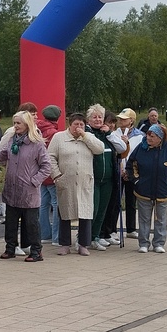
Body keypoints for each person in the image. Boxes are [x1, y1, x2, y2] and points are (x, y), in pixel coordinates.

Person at [0, 111, 58, 262]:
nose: (15, 126)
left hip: (29, 191)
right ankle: (10, 248)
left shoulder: (37, 144)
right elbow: (2, 154)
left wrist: (34, 181)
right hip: (12, 188)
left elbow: (46, 166)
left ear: (27, 124)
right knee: (11, 222)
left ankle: (36, 251)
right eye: (14, 123)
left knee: (31, 223)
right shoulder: (13, 140)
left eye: (18, 123)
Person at [48, 112, 102, 256]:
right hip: (66, 181)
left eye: (81, 125)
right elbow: (50, 157)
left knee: (85, 213)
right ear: (69, 125)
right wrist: (56, 175)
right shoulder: (59, 138)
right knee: (64, 213)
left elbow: (99, 149)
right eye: (75, 124)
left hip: (85, 182)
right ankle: (64, 244)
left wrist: (85, 136)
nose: (78, 127)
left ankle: (83, 244)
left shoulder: (89, 137)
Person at [129, 123, 167, 254]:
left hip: (162, 191)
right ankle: (143, 243)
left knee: (161, 219)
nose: (148, 138)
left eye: (152, 136)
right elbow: (132, 165)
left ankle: (158, 243)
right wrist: (136, 181)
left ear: (160, 138)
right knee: (144, 219)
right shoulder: (141, 148)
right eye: (147, 135)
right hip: (143, 191)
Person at [108, 108, 144, 239]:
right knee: (116, 200)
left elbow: (138, 155)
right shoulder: (114, 133)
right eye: (120, 118)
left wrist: (131, 170)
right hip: (118, 170)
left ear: (131, 121)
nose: (120, 121)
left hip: (132, 172)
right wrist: (121, 168)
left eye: (124, 119)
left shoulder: (139, 135)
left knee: (131, 201)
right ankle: (112, 229)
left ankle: (131, 228)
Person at [85, 105, 116, 250]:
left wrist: (109, 133)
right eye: (94, 117)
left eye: (100, 117)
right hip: (93, 179)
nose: (98, 120)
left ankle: (96, 236)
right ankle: (86, 237)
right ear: (88, 119)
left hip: (108, 179)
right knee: (93, 209)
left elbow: (121, 148)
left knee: (102, 209)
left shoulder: (107, 134)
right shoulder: (87, 133)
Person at [38, 105, 63, 246]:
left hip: (40, 173)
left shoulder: (37, 129)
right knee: (57, 204)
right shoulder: (54, 133)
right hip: (51, 174)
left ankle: (44, 234)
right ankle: (57, 237)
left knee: (43, 205)